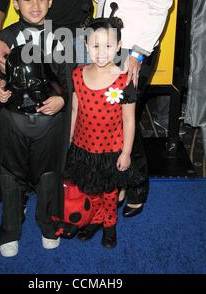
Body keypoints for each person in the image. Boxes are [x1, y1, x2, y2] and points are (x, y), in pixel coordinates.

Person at [91, 0, 179, 216]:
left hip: (134, 47)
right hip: (104, 41)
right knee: (109, 116)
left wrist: (139, 53)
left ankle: (137, 185)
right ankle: (117, 181)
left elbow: (162, 3)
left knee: (122, 115)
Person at [0, 0, 68, 256]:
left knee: (49, 175)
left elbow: (70, 81)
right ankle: (10, 230)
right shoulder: (4, 38)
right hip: (13, 121)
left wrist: (62, 99)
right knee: (10, 175)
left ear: (51, 2)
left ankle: (47, 223)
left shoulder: (62, 38)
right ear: (16, 3)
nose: (35, 5)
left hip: (50, 123)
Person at [64, 16, 139, 248]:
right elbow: (75, 109)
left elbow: (129, 119)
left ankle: (109, 225)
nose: (101, 52)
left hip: (111, 149)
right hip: (83, 147)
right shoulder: (77, 74)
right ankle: (95, 219)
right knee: (90, 188)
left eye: (108, 46)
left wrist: (125, 152)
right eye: (95, 46)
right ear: (86, 45)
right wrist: (68, 142)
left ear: (118, 46)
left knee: (109, 191)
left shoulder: (125, 80)